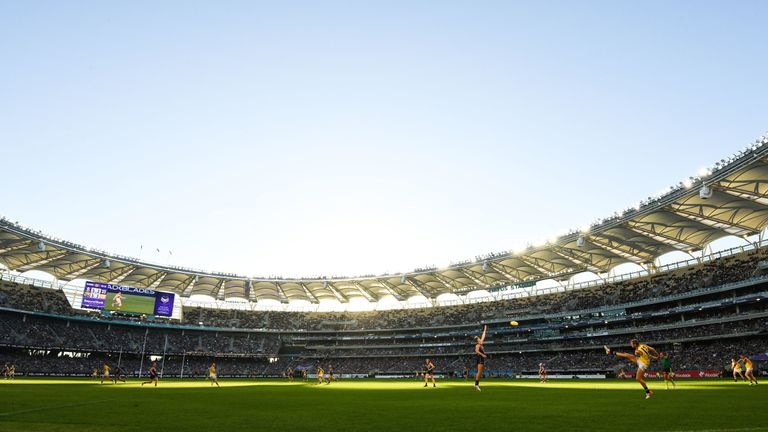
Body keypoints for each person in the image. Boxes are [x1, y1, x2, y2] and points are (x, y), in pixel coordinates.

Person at [474, 324, 488, 391]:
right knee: (479, 372)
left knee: (480, 372)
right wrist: (483, 355)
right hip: (479, 358)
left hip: (481, 359)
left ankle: (477, 384)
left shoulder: (481, 343)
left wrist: (485, 329)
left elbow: (483, 335)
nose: (479, 338)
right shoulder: (477, 345)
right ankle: (476, 385)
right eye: (478, 338)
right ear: (477, 340)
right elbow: (476, 351)